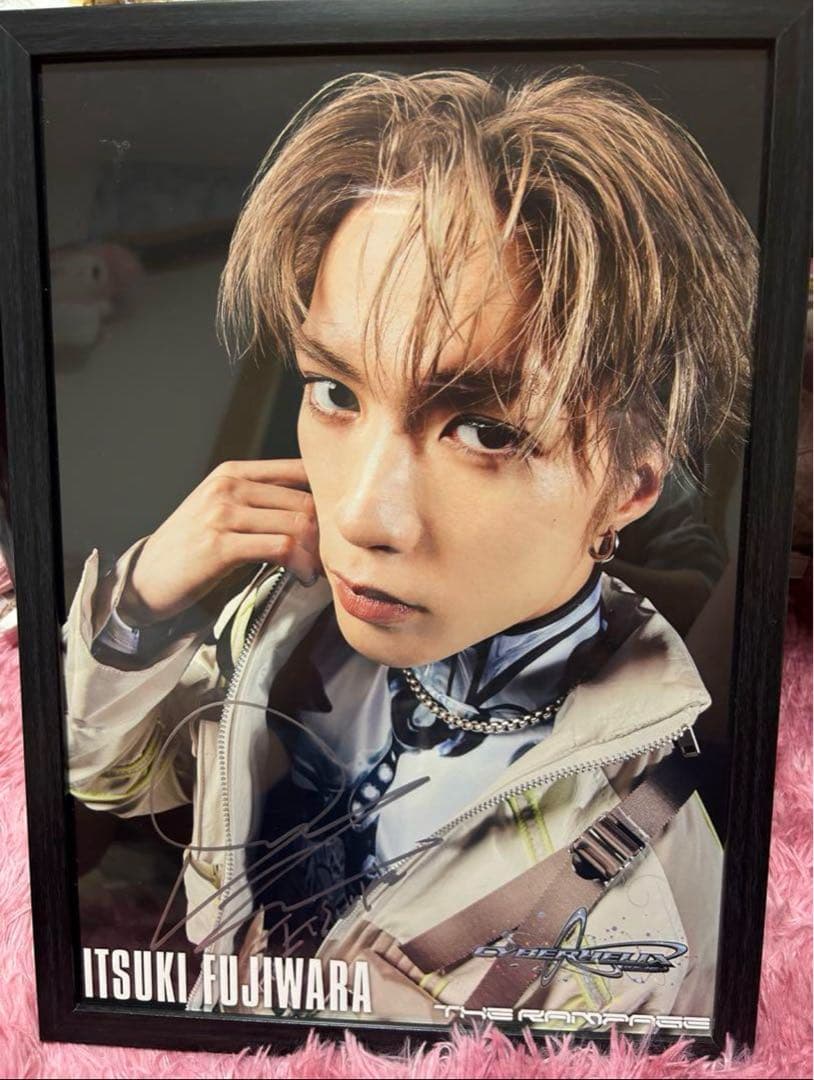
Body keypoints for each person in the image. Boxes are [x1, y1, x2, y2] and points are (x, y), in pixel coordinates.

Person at [62, 68, 758, 1031]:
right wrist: (138, 610)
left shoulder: (655, 879)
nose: (361, 514)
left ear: (628, 489)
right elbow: (107, 776)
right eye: (334, 393)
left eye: (485, 430)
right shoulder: (286, 620)